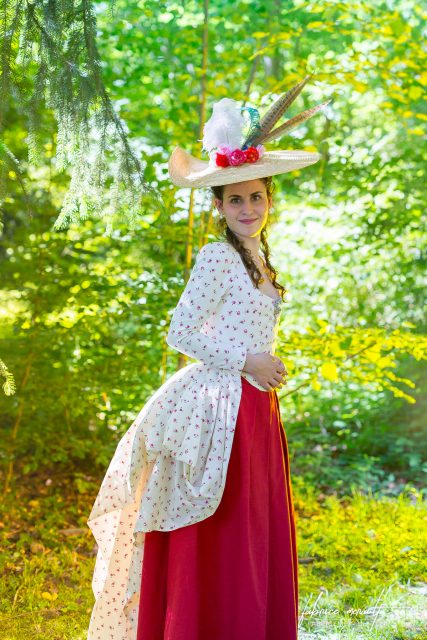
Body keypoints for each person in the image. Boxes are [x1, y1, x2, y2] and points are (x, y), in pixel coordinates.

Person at [86, 75, 330, 640]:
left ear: (270, 199)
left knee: (253, 529)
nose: (248, 206)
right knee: (221, 530)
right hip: (218, 410)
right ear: (219, 205)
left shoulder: (260, 259)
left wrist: (260, 367)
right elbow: (181, 331)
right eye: (236, 198)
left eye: (257, 196)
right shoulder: (218, 257)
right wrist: (248, 360)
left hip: (256, 409)